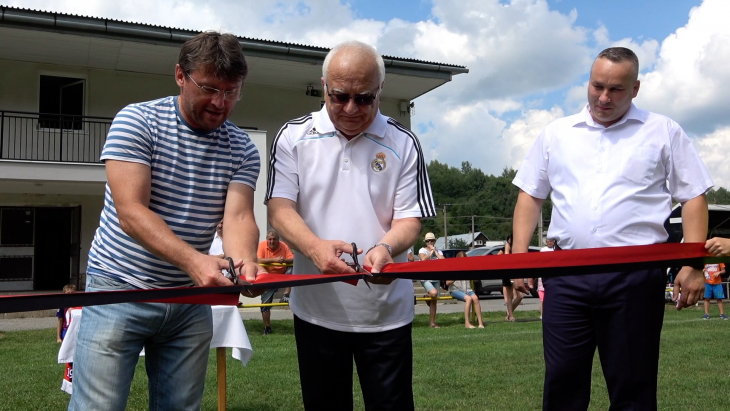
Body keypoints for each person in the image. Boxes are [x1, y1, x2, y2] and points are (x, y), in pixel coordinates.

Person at [70, 31, 264, 411]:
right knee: (99, 407)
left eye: (231, 91)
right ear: (180, 75)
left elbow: (239, 216)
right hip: (119, 287)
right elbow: (131, 212)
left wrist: (244, 264)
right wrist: (195, 262)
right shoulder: (137, 121)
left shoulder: (241, 146)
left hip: (189, 299)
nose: (220, 102)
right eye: (209, 88)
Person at [511, 47, 712, 410]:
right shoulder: (557, 133)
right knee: (561, 383)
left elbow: (694, 196)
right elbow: (530, 196)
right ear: (587, 83)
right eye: (596, 86)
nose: (604, 97)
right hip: (566, 274)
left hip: (634, 277)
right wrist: (518, 257)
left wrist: (693, 263)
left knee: (633, 385)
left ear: (635, 89)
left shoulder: (663, 131)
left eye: (616, 89)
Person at [266, 40, 434, 411]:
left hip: (385, 314)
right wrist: (314, 248)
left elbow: (410, 219)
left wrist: (386, 248)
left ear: (381, 91)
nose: (351, 108)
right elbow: (279, 209)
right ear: (323, 84)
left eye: (365, 98)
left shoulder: (403, 142)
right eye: (340, 95)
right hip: (315, 310)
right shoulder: (294, 135)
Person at [257, 229, 294, 334]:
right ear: (267, 239)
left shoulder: (283, 246)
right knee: (265, 304)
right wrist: (275, 260)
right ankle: (267, 328)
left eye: (274, 239)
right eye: (270, 239)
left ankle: (286, 294)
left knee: (292, 268)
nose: (272, 242)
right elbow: (257, 260)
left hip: (282, 275)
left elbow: (293, 259)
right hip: (267, 278)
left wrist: (284, 260)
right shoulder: (262, 245)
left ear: (278, 240)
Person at [445, 251, 484, 328]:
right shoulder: (453, 268)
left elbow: (475, 280)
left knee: (475, 298)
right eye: (461, 260)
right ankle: (467, 323)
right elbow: (447, 283)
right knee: (468, 299)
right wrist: (456, 277)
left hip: (467, 290)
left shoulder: (468, 268)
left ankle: (480, 323)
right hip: (455, 290)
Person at [419, 232, 445, 328]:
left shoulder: (439, 251)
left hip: (436, 277)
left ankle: (432, 322)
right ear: (425, 242)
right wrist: (430, 253)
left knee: (434, 300)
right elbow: (422, 260)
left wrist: (436, 252)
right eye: (427, 241)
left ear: (435, 241)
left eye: (431, 240)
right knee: (434, 293)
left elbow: (443, 260)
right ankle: (427, 296)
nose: (429, 242)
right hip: (425, 277)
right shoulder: (422, 250)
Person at [497, 234, 523, 322]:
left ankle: (509, 312)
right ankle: (511, 315)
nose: (510, 240)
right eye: (509, 238)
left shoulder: (518, 247)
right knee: (509, 296)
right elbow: (504, 256)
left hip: (515, 272)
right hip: (507, 272)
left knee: (520, 296)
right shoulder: (507, 246)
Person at [537, 238, 556, 319]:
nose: (549, 242)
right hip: (542, 278)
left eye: (551, 240)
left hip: (553, 277)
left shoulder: (556, 249)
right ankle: (542, 314)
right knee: (542, 299)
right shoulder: (543, 250)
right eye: (548, 240)